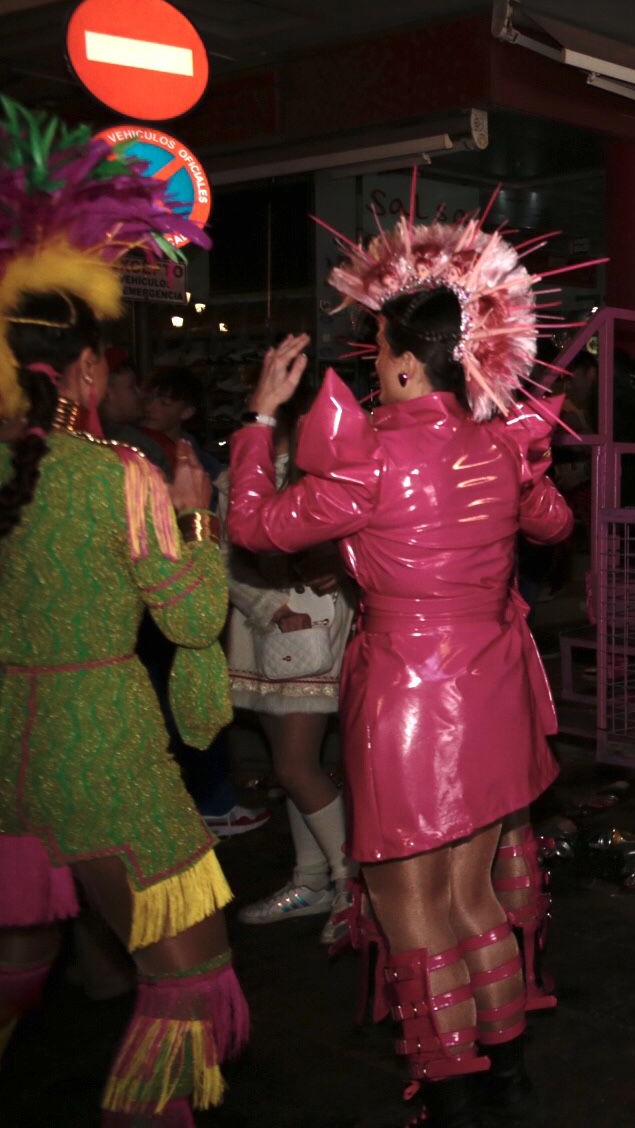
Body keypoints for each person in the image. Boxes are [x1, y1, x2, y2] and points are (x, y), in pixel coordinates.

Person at [228, 210, 573, 1122]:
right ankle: (510, 1077)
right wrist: (522, 468)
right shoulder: (500, 449)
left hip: (408, 698)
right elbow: (554, 527)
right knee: (471, 900)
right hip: (490, 687)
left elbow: (253, 529)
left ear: (411, 363)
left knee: (411, 909)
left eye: (379, 353)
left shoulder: (372, 456)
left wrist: (262, 418)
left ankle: (451, 1097)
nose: (373, 367)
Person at [0, 99, 247, 1122]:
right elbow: (191, 619)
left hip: (9, 740)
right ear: (90, 369)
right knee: (191, 984)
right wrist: (196, 521)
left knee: (19, 953)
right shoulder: (119, 475)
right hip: (100, 746)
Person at [220, 368, 356, 944]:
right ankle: (313, 880)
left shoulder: (330, 474)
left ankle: (351, 885)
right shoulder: (245, 474)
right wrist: (269, 604)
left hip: (311, 632)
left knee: (295, 767)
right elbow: (225, 553)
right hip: (268, 633)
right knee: (294, 768)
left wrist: (338, 569)